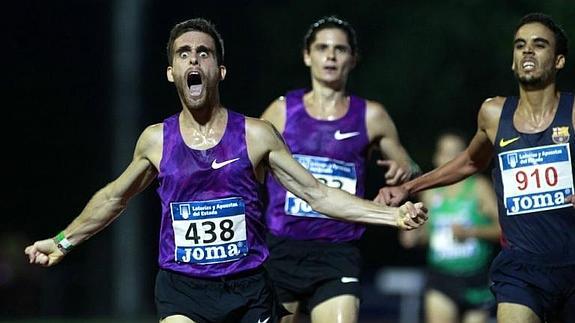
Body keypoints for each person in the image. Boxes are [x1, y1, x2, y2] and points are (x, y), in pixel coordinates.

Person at [24, 18, 427, 323]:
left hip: (248, 288)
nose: (194, 59)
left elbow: (317, 194)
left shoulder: (256, 135)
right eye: (183, 54)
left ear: (220, 70)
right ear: (171, 73)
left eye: (204, 53)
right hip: (183, 288)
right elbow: (115, 197)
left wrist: (392, 215)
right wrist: (62, 242)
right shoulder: (155, 140)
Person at [376, 12, 574, 323]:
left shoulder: (573, 113)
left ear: (559, 60)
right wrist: (409, 186)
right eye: (520, 45)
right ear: (513, 60)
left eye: (539, 45)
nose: (528, 51)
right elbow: (469, 161)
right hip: (520, 269)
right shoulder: (494, 114)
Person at [261, 16, 419, 323]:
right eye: (322, 48)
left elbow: (410, 167)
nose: (330, 56)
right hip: (282, 247)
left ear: (353, 58)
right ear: (308, 56)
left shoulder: (372, 115)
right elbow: (247, 164)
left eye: (340, 49)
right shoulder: (282, 110)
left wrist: (405, 170)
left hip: (338, 251)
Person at [399, 132, 500, 323]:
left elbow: (505, 230)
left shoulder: (479, 187)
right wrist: (414, 236)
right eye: (445, 153)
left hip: (477, 278)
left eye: (455, 153)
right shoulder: (429, 193)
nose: (449, 159)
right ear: (436, 157)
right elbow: (427, 234)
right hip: (441, 277)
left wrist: (472, 232)